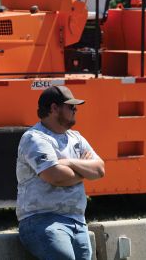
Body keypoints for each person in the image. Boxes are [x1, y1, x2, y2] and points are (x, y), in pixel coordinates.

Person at [16, 86, 105, 260]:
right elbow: (54, 176)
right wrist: (84, 170)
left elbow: (100, 170)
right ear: (54, 108)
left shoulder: (76, 138)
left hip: (77, 221)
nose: (75, 110)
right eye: (71, 107)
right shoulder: (35, 138)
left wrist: (70, 163)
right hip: (42, 220)